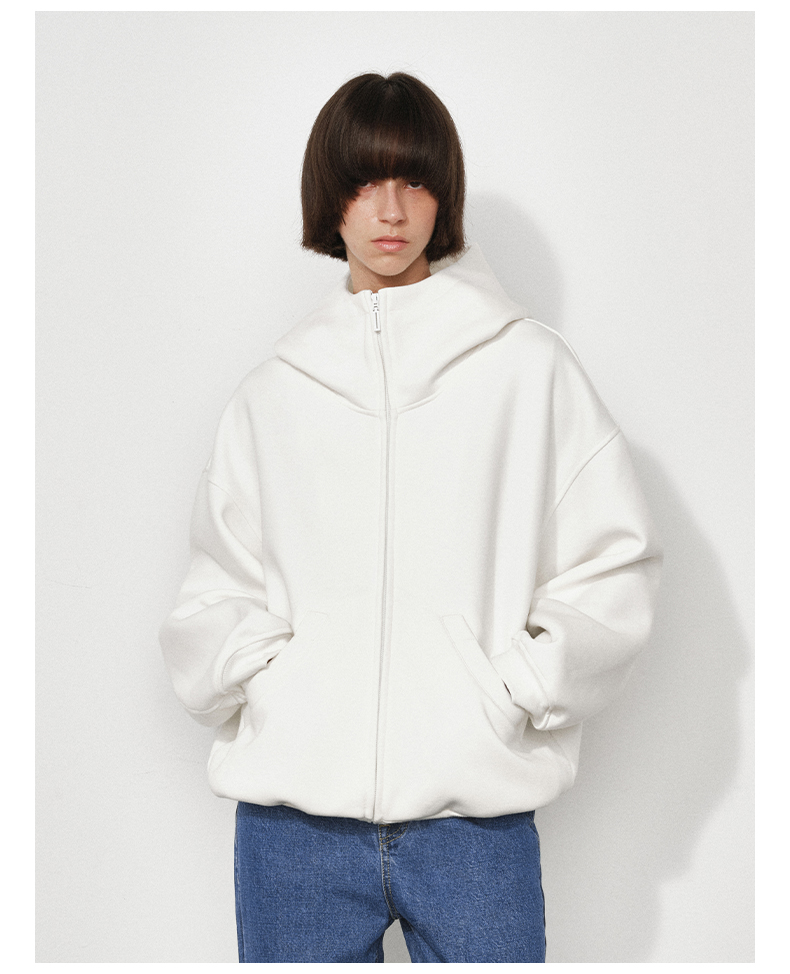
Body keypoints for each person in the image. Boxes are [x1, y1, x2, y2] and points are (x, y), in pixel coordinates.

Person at [160, 72, 662, 964]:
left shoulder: (529, 372)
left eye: (415, 180)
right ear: (330, 198)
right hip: (294, 832)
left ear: (445, 195)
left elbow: (613, 564)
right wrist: (277, 684)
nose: (390, 210)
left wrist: (516, 689)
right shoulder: (274, 393)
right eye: (363, 181)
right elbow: (215, 589)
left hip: (474, 826)